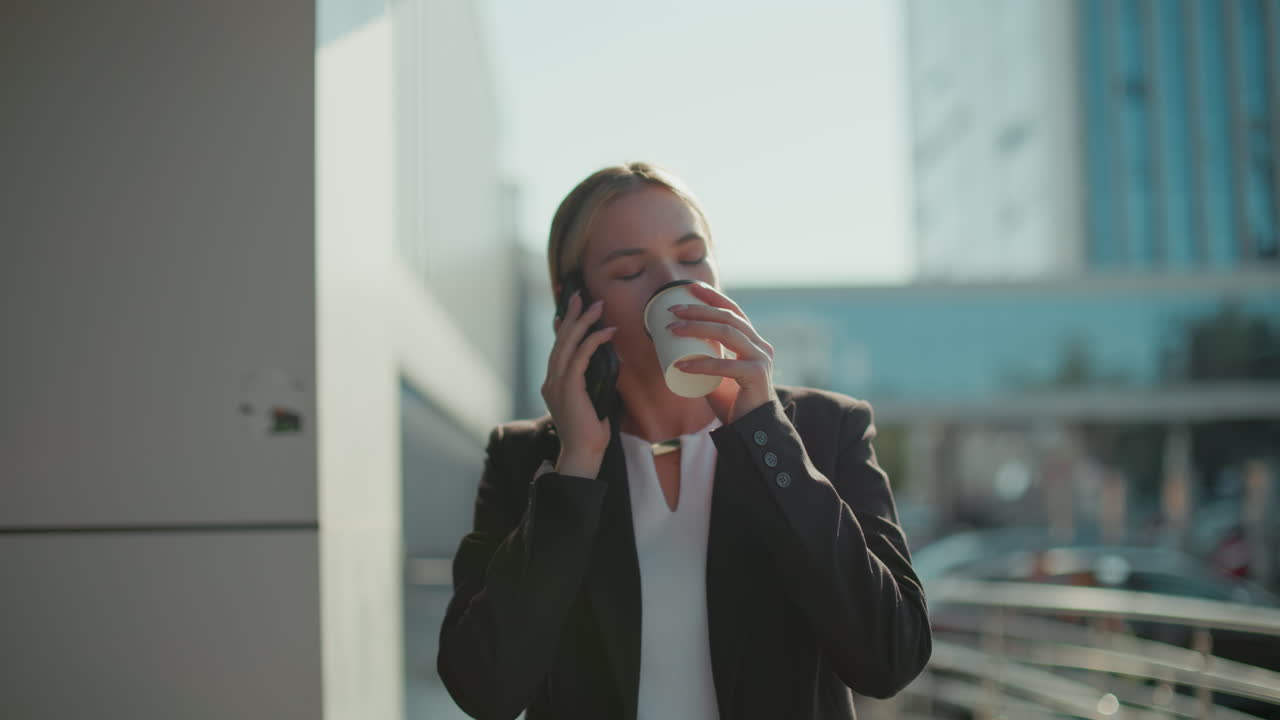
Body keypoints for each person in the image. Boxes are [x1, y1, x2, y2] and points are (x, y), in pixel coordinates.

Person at [438, 162, 931, 720]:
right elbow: (484, 689)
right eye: (629, 270)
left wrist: (765, 435)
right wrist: (575, 466)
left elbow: (889, 658)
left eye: (692, 258)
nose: (675, 283)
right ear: (572, 301)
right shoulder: (527, 458)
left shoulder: (822, 430)